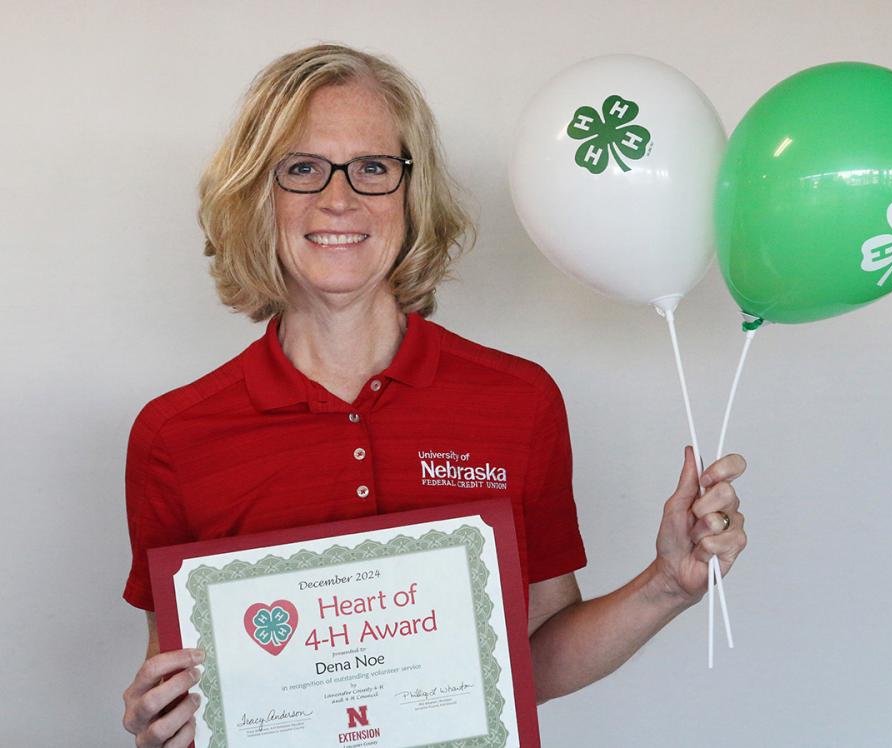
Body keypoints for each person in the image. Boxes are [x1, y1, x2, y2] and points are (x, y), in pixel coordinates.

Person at [121, 44, 747, 747]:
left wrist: (667, 582)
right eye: (302, 168)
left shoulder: (520, 401)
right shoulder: (174, 436)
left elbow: (527, 659)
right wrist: (162, 725)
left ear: (411, 193)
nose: (339, 198)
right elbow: (188, 679)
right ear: (255, 195)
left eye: (373, 168)